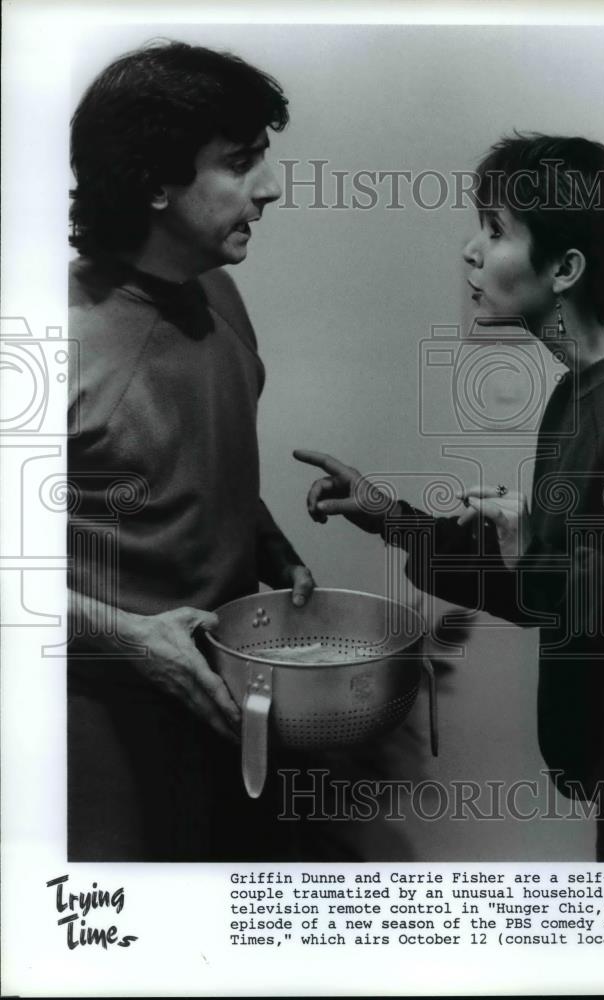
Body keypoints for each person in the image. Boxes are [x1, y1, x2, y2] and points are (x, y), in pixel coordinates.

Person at [296, 134, 604, 862]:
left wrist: (537, 553)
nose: (471, 252)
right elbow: (546, 589)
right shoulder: (579, 390)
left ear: (565, 268)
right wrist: (392, 519)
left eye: (495, 231)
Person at [67, 40, 315, 861]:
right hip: (98, 729)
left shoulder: (219, 290)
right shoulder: (46, 340)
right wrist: (131, 637)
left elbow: (195, 448)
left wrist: (266, 540)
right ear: (155, 184)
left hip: (227, 700)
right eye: (241, 163)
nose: (272, 187)